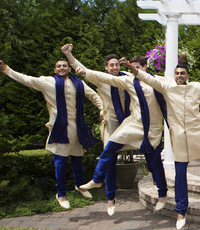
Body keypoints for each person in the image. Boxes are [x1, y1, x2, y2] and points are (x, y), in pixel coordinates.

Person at [124, 61, 200, 230]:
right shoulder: (166, 86)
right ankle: (181, 211)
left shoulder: (196, 87)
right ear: (174, 75)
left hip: (199, 133)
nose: (179, 76)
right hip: (179, 136)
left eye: (182, 73)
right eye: (177, 73)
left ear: (188, 75)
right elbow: (147, 78)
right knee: (180, 175)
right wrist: (133, 69)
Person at [63, 45, 168, 216]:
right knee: (110, 150)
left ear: (144, 67)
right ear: (106, 67)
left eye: (117, 65)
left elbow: (173, 86)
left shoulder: (150, 80)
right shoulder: (126, 80)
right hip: (126, 124)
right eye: (111, 65)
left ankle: (162, 193)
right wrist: (71, 59)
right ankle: (102, 187)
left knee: (154, 159)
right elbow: (91, 73)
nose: (115, 68)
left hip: (150, 127)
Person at [0, 58, 103, 210]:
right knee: (60, 162)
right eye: (59, 66)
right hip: (59, 127)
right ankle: (61, 194)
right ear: (54, 69)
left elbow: (94, 96)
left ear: (69, 69)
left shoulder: (78, 83)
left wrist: (102, 109)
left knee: (77, 158)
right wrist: (5, 69)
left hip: (77, 127)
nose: (62, 68)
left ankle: (80, 186)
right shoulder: (47, 82)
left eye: (65, 66)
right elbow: (25, 79)